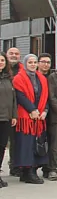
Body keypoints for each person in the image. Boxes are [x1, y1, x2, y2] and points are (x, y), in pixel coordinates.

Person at [12, 54, 48, 184]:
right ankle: (27, 172)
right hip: (25, 117)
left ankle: (32, 170)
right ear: (25, 64)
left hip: (39, 116)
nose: (33, 65)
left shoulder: (42, 78)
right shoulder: (18, 78)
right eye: (30, 62)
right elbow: (20, 96)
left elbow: (45, 95)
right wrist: (32, 109)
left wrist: (44, 110)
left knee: (36, 144)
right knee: (26, 145)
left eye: (35, 62)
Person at [0, 52, 17, 188]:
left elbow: (13, 99)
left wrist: (14, 115)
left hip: (6, 118)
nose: (0, 62)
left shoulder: (8, 78)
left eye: (2, 60)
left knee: (2, 147)